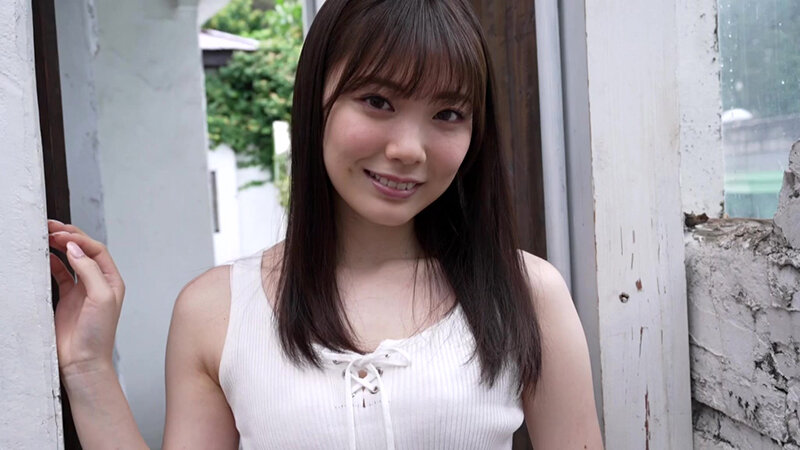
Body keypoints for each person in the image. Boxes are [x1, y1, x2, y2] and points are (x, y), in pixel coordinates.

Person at [47, 0, 603, 448]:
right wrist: (87, 366)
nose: (409, 149)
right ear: (316, 101)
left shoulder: (527, 294)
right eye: (378, 100)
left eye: (448, 114)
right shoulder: (215, 312)